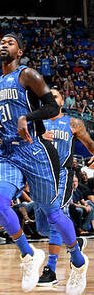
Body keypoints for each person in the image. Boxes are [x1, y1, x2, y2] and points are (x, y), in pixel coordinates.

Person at [0, 32, 88, 294]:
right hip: (7, 151)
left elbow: (52, 108)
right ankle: (28, 256)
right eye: (1, 42)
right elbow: (6, 110)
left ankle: (77, 262)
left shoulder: (28, 75)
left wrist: (27, 118)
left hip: (33, 151)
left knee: (53, 214)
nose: (3, 44)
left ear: (19, 51)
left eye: (10, 42)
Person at [34, 88, 94, 287]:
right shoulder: (37, 122)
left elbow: (90, 144)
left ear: (61, 102)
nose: (51, 98)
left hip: (62, 174)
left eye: (55, 95)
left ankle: (50, 270)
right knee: (42, 226)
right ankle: (74, 242)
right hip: (41, 176)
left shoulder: (72, 123)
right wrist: (40, 139)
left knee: (54, 218)